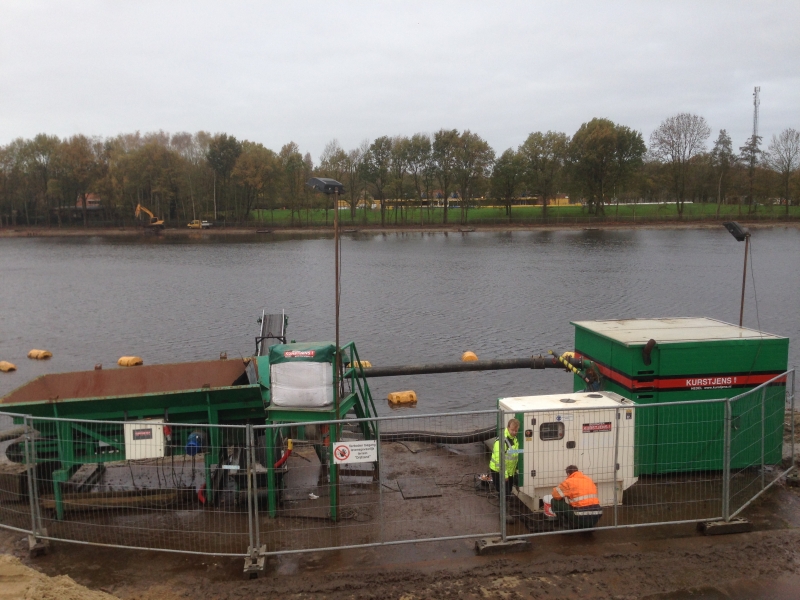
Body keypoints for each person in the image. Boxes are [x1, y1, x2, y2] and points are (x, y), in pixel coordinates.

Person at [489, 418, 520, 522]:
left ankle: (505, 512)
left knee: (507, 491)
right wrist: (505, 474)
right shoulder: (501, 441)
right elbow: (499, 460)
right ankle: (504, 515)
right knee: (504, 492)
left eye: (516, 430)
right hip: (499, 471)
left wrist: (514, 471)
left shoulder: (514, 439)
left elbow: (514, 456)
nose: (514, 432)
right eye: (512, 430)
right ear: (508, 428)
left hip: (509, 471)